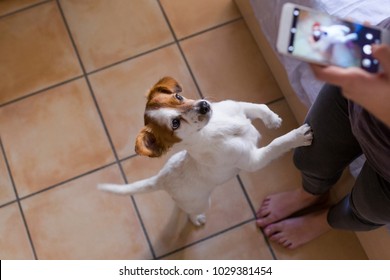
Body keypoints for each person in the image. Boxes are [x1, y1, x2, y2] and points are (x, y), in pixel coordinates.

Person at [255, 22, 390, 249]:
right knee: (310, 153)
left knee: (368, 208)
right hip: (367, 71)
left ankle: (326, 219)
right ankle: (310, 193)